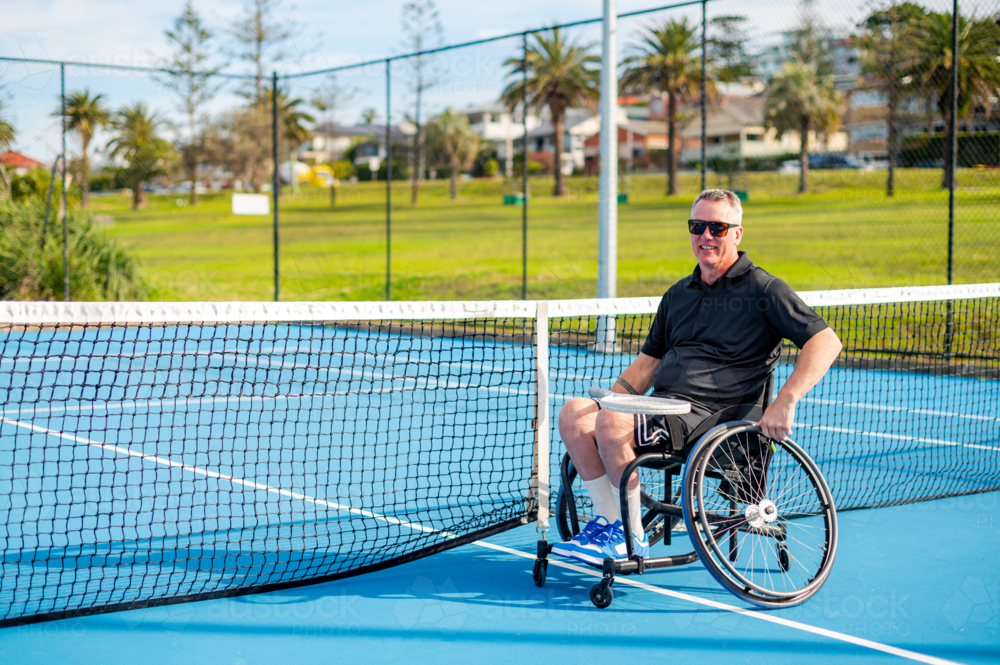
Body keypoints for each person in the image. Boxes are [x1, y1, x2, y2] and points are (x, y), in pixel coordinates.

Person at [551, 189, 843, 566]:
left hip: (712, 419)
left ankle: (629, 536)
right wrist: (607, 401)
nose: (706, 236)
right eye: (697, 226)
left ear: (737, 234)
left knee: (612, 422)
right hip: (662, 408)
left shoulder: (764, 289)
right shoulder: (678, 294)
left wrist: (785, 401)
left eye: (717, 227)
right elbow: (645, 366)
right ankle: (610, 524)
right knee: (574, 412)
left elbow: (826, 341)